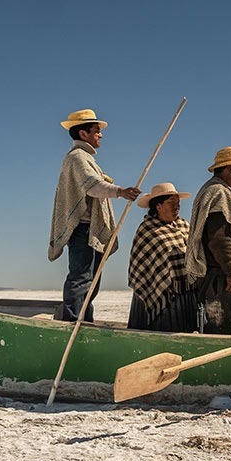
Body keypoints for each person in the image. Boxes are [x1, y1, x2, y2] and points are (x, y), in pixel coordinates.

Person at [48, 109, 140, 322]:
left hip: (88, 230)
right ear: (83, 134)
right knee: (81, 280)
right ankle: (72, 324)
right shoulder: (78, 158)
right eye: (96, 131)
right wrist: (120, 191)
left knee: (90, 282)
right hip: (83, 229)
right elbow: (92, 186)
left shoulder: (85, 158)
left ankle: (83, 322)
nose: (101, 135)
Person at [184, 147, 231, 335]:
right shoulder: (218, 193)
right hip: (219, 277)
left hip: (220, 275)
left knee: (223, 325)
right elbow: (218, 238)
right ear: (229, 169)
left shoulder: (220, 191)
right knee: (221, 328)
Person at [126, 182, 200, 332]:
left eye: (178, 203)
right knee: (162, 330)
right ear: (158, 206)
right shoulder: (147, 229)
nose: (176, 206)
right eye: (171, 202)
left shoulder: (184, 226)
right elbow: (141, 265)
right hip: (160, 293)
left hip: (186, 292)